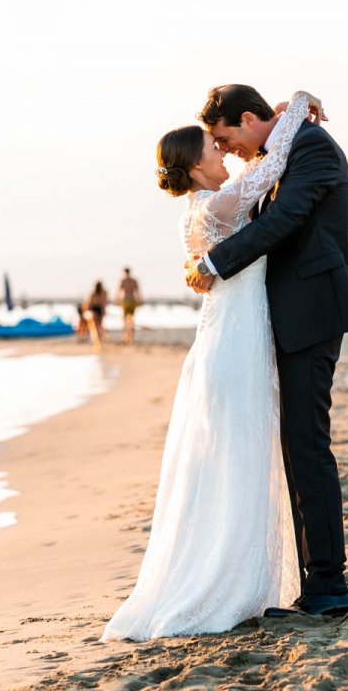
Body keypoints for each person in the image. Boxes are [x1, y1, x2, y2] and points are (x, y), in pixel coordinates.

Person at [102, 90, 321, 641]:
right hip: (235, 348)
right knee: (241, 462)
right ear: (196, 166)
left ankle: (240, 582)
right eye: (214, 148)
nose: (225, 153)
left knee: (236, 462)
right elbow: (272, 163)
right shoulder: (218, 205)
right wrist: (295, 106)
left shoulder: (198, 211)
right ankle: (225, 588)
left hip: (232, 340)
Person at [185, 84, 348, 618]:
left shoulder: (312, 147)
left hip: (311, 311)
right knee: (296, 445)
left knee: (307, 444)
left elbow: (283, 219)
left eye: (225, 138)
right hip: (289, 315)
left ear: (246, 118)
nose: (228, 151)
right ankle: (316, 583)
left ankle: (329, 586)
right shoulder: (285, 146)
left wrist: (214, 265)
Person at [116, 267, 141, 345]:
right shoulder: (134, 281)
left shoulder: (123, 280)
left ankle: (126, 336)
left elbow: (119, 291)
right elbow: (137, 292)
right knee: (131, 320)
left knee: (125, 320)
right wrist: (139, 301)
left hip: (125, 300)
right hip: (132, 300)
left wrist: (117, 300)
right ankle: (131, 338)